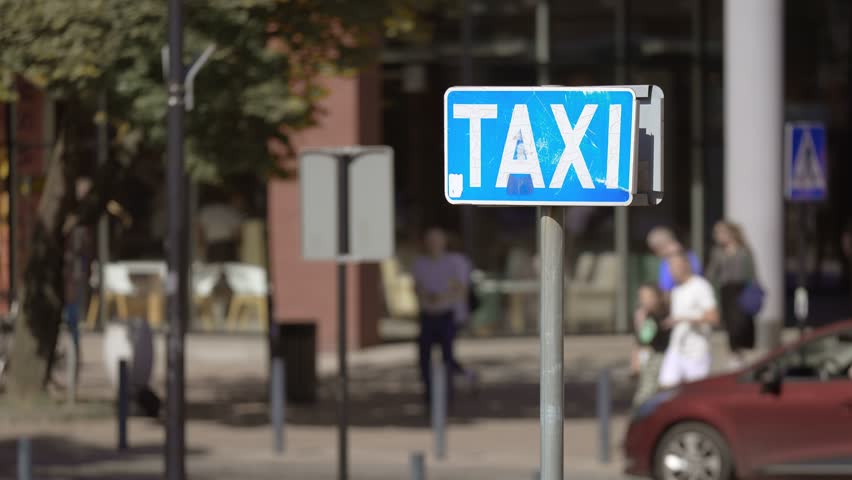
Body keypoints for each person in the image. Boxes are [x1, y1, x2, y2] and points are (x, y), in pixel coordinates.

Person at [411, 227, 472, 406]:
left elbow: (461, 288)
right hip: (427, 315)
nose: (434, 245)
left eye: (437, 241)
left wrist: (443, 297)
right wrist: (427, 297)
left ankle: (448, 395)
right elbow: (416, 287)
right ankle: (429, 395)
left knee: (448, 357)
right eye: (430, 241)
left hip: (447, 315)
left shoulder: (455, 262)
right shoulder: (420, 264)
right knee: (424, 357)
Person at [658, 253, 720, 388]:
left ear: (686, 266)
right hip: (676, 348)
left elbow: (713, 318)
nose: (671, 271)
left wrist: (683, 319)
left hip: (696, 352)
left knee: (695, 392)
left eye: (674, 266)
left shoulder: (700, 286)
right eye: (669, 267)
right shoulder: (676, 290)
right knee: (666, 388)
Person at [706, 220, 757, 369]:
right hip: (727, 290)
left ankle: (742, 350)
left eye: (720, 232)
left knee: (742, 322)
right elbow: (711, 273)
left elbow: (753, 273)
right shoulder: (718, 252)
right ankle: (735, 352)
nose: (718, 236)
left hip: (743, 290)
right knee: (731, 323)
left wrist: (754, 289)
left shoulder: (744, 250)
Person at [631, 284, 671, 407]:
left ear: (658, 297)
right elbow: (642, 339)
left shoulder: (663, 314)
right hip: (652, 358)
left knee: (653, 393)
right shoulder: (647, 316)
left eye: (649, 297)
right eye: (642, 298)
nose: (645, 301)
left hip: (663, 358)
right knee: (647, 391)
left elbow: (644, 338)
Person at [646, 227, 702, 293]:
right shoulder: (665, 261)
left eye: (656, 250)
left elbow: (694, 280)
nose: (657, 254)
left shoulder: (688, 257)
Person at [198, 192, 246, 262]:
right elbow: (237, 233)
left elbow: (201, 232)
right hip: (228, 246)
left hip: (213, 246)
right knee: (230, 269)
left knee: (213, 269)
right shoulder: (230, 210)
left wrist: (202, 248)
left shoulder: (205, 211)